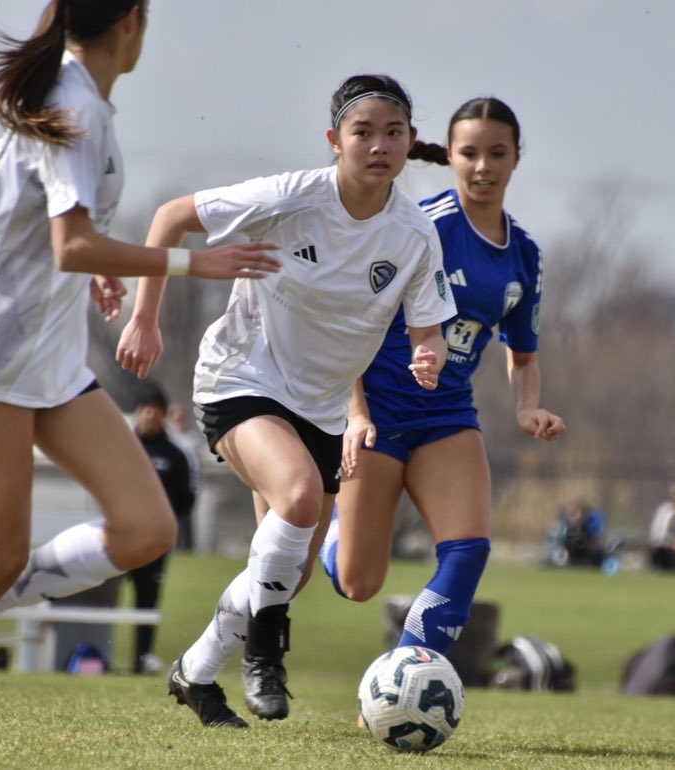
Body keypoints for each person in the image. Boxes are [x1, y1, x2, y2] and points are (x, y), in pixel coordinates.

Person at [0, 2, 278, 765]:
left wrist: (98, 261)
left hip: (48, 360)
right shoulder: (73, 103)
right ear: (132, 23)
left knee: (147, 528)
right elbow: (67, 243)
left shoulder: (74, 97)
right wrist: (184, 262)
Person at [116, 73, 455, 728]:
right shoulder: (293, 196)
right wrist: (146, 317)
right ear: (335, 141)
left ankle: (195, 671)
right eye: (363, 132)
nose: (378, 145)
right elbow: (171, 219)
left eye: (393, 133)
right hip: (242, 377)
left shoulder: (414, 234)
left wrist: (429, 355)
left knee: (286, 571)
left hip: (323, 408)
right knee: (299, 497)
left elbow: (429, 330)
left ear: (411, 142)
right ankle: (266, 657)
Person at [318, 96, 564, 659]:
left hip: (447, 416)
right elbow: (353, 322)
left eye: (497, 153)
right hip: (377, 412)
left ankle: (404, 675)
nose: (483, 167)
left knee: (468, 550)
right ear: (449, 155)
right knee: (359, 584)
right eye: (470, 153)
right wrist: (355, 413)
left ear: (516, 159)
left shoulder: (525, 255)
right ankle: (333, 529)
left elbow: (522, 355)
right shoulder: (421, 225)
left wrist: (528, 408)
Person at [128, 382, 194, 674]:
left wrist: (166, 524)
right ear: (137, 412)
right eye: (145, 409)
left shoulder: (175, 454)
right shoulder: (122, 446)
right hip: (120, 533)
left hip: (155, 540)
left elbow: (187, 496)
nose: (150, 415)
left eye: (156, 410)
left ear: (164, 414)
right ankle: (91, 654)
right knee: (99, 592)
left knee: (147, 599)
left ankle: (141, 659)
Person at [166, 402, 203, 551]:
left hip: (191, 483)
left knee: (186, 517)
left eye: (182, 418)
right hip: (172, 483)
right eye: (176, 418)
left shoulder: (194, 438)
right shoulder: (169, 438)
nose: (179, 422)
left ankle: (186, 547)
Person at [550, 501, 607, 568]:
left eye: (579, 514)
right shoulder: (565, 527)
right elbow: (559, 543)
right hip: (569, 556)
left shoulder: (588, 529)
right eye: (573, 514)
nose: (576, 517)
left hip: (585, 556)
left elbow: (594, 545)